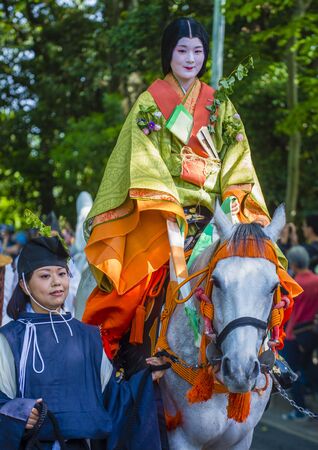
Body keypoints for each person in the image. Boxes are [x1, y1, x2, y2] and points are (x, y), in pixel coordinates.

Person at [82, 17, 300, 360]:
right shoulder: (149, 102)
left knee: (263, 273)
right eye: (182, 50)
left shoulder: (220, 105)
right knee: (134, 284)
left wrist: (232, 200)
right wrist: (169, 197)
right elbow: (140, 159)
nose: (190, 58)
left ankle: (268, 354)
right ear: (168, 53)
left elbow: (238, 159)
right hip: (163, 212)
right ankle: (123, 358)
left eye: (197, 51)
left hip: (217, 216)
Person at [0, 235, 167, 449]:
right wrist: (18, 411)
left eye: (62, 273)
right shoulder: (10, 338)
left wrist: (145, 377)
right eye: (44, 276)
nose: (56, 282)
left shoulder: (88, 337)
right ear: (24, 285)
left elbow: (114, 400)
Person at [282, 246, 318, 420]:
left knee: (292, 372)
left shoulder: (294, 284)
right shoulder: (316, 280)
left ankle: (299, 410)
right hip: (310, 333)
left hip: (292, 334)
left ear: (294, 264)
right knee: (308, 368)